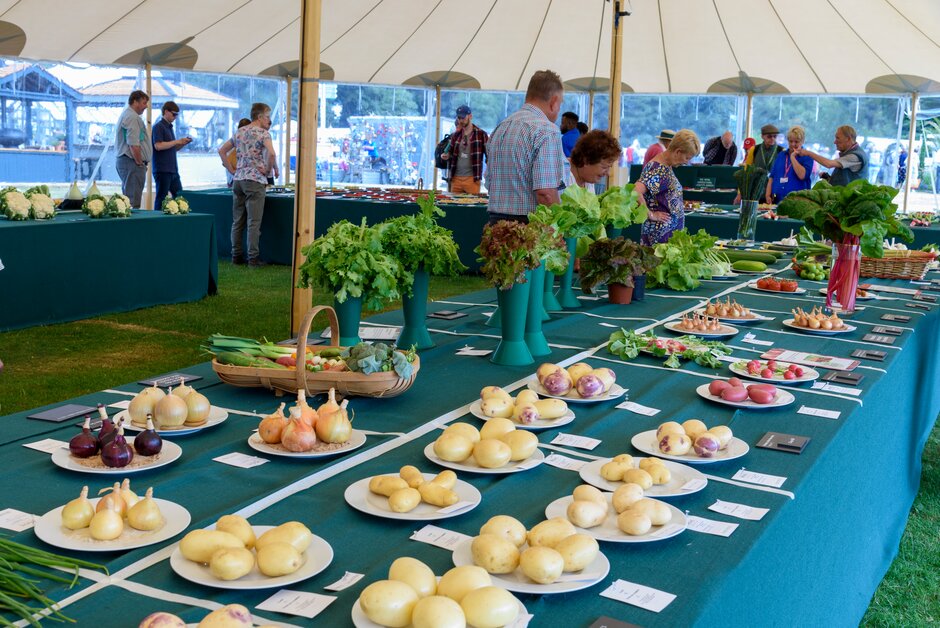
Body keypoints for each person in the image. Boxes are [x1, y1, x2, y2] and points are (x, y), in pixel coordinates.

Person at [485, 70, 565, 224]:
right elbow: (546, 193)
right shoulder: (547, 130)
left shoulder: (501, 127)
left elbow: (489, 182)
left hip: (495, 225)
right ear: (554, 102)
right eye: (560, 104)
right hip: (529, 227)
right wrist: (558, 228)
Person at [226, 103, 276, 267]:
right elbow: (272, 153)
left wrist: (231, 168)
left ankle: (236, 256)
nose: (269, 120)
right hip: (255, 180)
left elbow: (221, 150)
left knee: (237, 221)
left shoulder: (240, 132)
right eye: (267, 116)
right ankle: (253, 259)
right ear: (260, 117)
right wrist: (267, 171)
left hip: (238, 179)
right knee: (254, 222)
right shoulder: (263, 134)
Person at [634, 129, 701, 245]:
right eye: (687, 158)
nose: (686, 162)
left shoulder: (665, 166)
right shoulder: (658, 169)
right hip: (659, 239)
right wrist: (650, 214)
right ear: (678, 152)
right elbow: (635, 191)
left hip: (666, 238)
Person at [151, 101, 192, 210]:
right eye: (173, 114)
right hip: (162, 169)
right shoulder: (158, 127)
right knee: (161, 198)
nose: (175, 117)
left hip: (173, 170)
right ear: (166, 111)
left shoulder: (170, 128)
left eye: (177, 115)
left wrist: (182, 143)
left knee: (180, 197)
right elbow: (158, 146)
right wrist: (176, 142)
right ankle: (157, 221)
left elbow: (172, 149)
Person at [114, 90, 151, 209]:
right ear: (135, 101)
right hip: (132, 163)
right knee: (132, 203)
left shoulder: (128, 115)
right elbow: (133, 144)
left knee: (129, 200)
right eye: (144, 103)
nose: (146, 106)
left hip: (129, 162)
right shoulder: (132, 117)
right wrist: (140, 163)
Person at [439, 105, 488, 194]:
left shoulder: (481, 135)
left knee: (471, 206)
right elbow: (450, 152)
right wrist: (446, 155)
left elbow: (489, 155)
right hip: (455, 179)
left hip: (472, 179)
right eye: (459, 117)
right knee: (454, 206)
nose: (461, 120)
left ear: (470, 116)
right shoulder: (455, 135)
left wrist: (488, 171)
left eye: (463, 117)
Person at [798, 125, 869, 186]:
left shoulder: (855, 156)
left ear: (848, 139)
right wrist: (828, 178)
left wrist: (808, 153)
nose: (835, 142)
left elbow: (828, 164)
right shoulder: (850, 154)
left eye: (838, 138)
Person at [765, 126, 814, 203]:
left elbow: (802, 176)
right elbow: (772, 177)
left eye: (796, 141)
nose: (793, 144)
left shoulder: (807, 156)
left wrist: (793, 157)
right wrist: (768, 195)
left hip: (797, 202)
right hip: (776, 199)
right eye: (790, 141)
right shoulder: (781, 155)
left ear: (802, 141)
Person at [217, 118, 251, 188]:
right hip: (236, 178)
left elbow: (222, 154)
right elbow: (222, 155)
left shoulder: (236, 141)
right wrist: (232, 171)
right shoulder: (236, 142)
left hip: (234, 178)